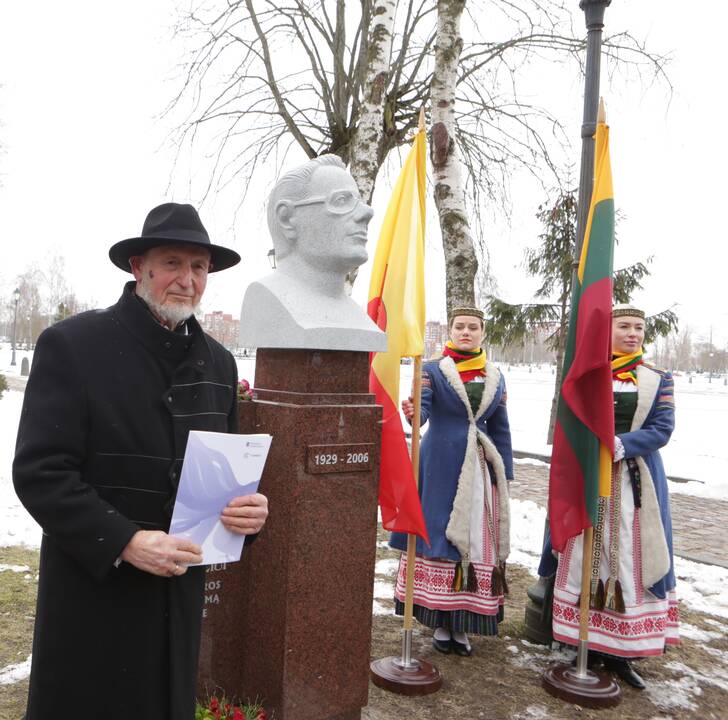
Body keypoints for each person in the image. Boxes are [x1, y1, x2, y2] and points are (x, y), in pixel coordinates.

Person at [12, 202, 269, 720]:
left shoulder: (218, 363)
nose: (187, 280)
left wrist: (249, 515)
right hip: (95, 591)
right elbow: (40, 472)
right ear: (139, 268)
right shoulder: (74, 345)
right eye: (173, 263)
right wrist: (125, 541)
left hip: (178, 591)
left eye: (199, 268)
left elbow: (225, 471)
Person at [538, 305, 677, 689]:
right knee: (586, 554)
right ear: (608, 330)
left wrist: (621, 443)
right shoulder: (588, 374)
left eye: (639, 328)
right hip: (586, 477)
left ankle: (622, 653)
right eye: (624, 326)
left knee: (629, 561)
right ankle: (582, 641)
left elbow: (663, 429)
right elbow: (569, 420)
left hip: (634, 482)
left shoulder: (657, 379)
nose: (633, 333)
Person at [391, 307, 514, 656]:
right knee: (441, 535)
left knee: (475, 539)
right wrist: (413, 412)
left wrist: (503, 472)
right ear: (450, 330)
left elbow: (500, 427)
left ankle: (464, 622)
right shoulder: (432, 369)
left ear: (482, 333)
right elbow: (424, 413)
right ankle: (441, 621)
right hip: (440, 465)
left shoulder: (495, 376)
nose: (466, 332)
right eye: (459, 327)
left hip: (480, 468)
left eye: (473, 327)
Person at [239, 153, 385, 351]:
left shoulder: (357, 317)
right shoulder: (266, 299)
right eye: (342, 200)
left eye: (359, 202)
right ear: (287, 219)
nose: (367, 213)